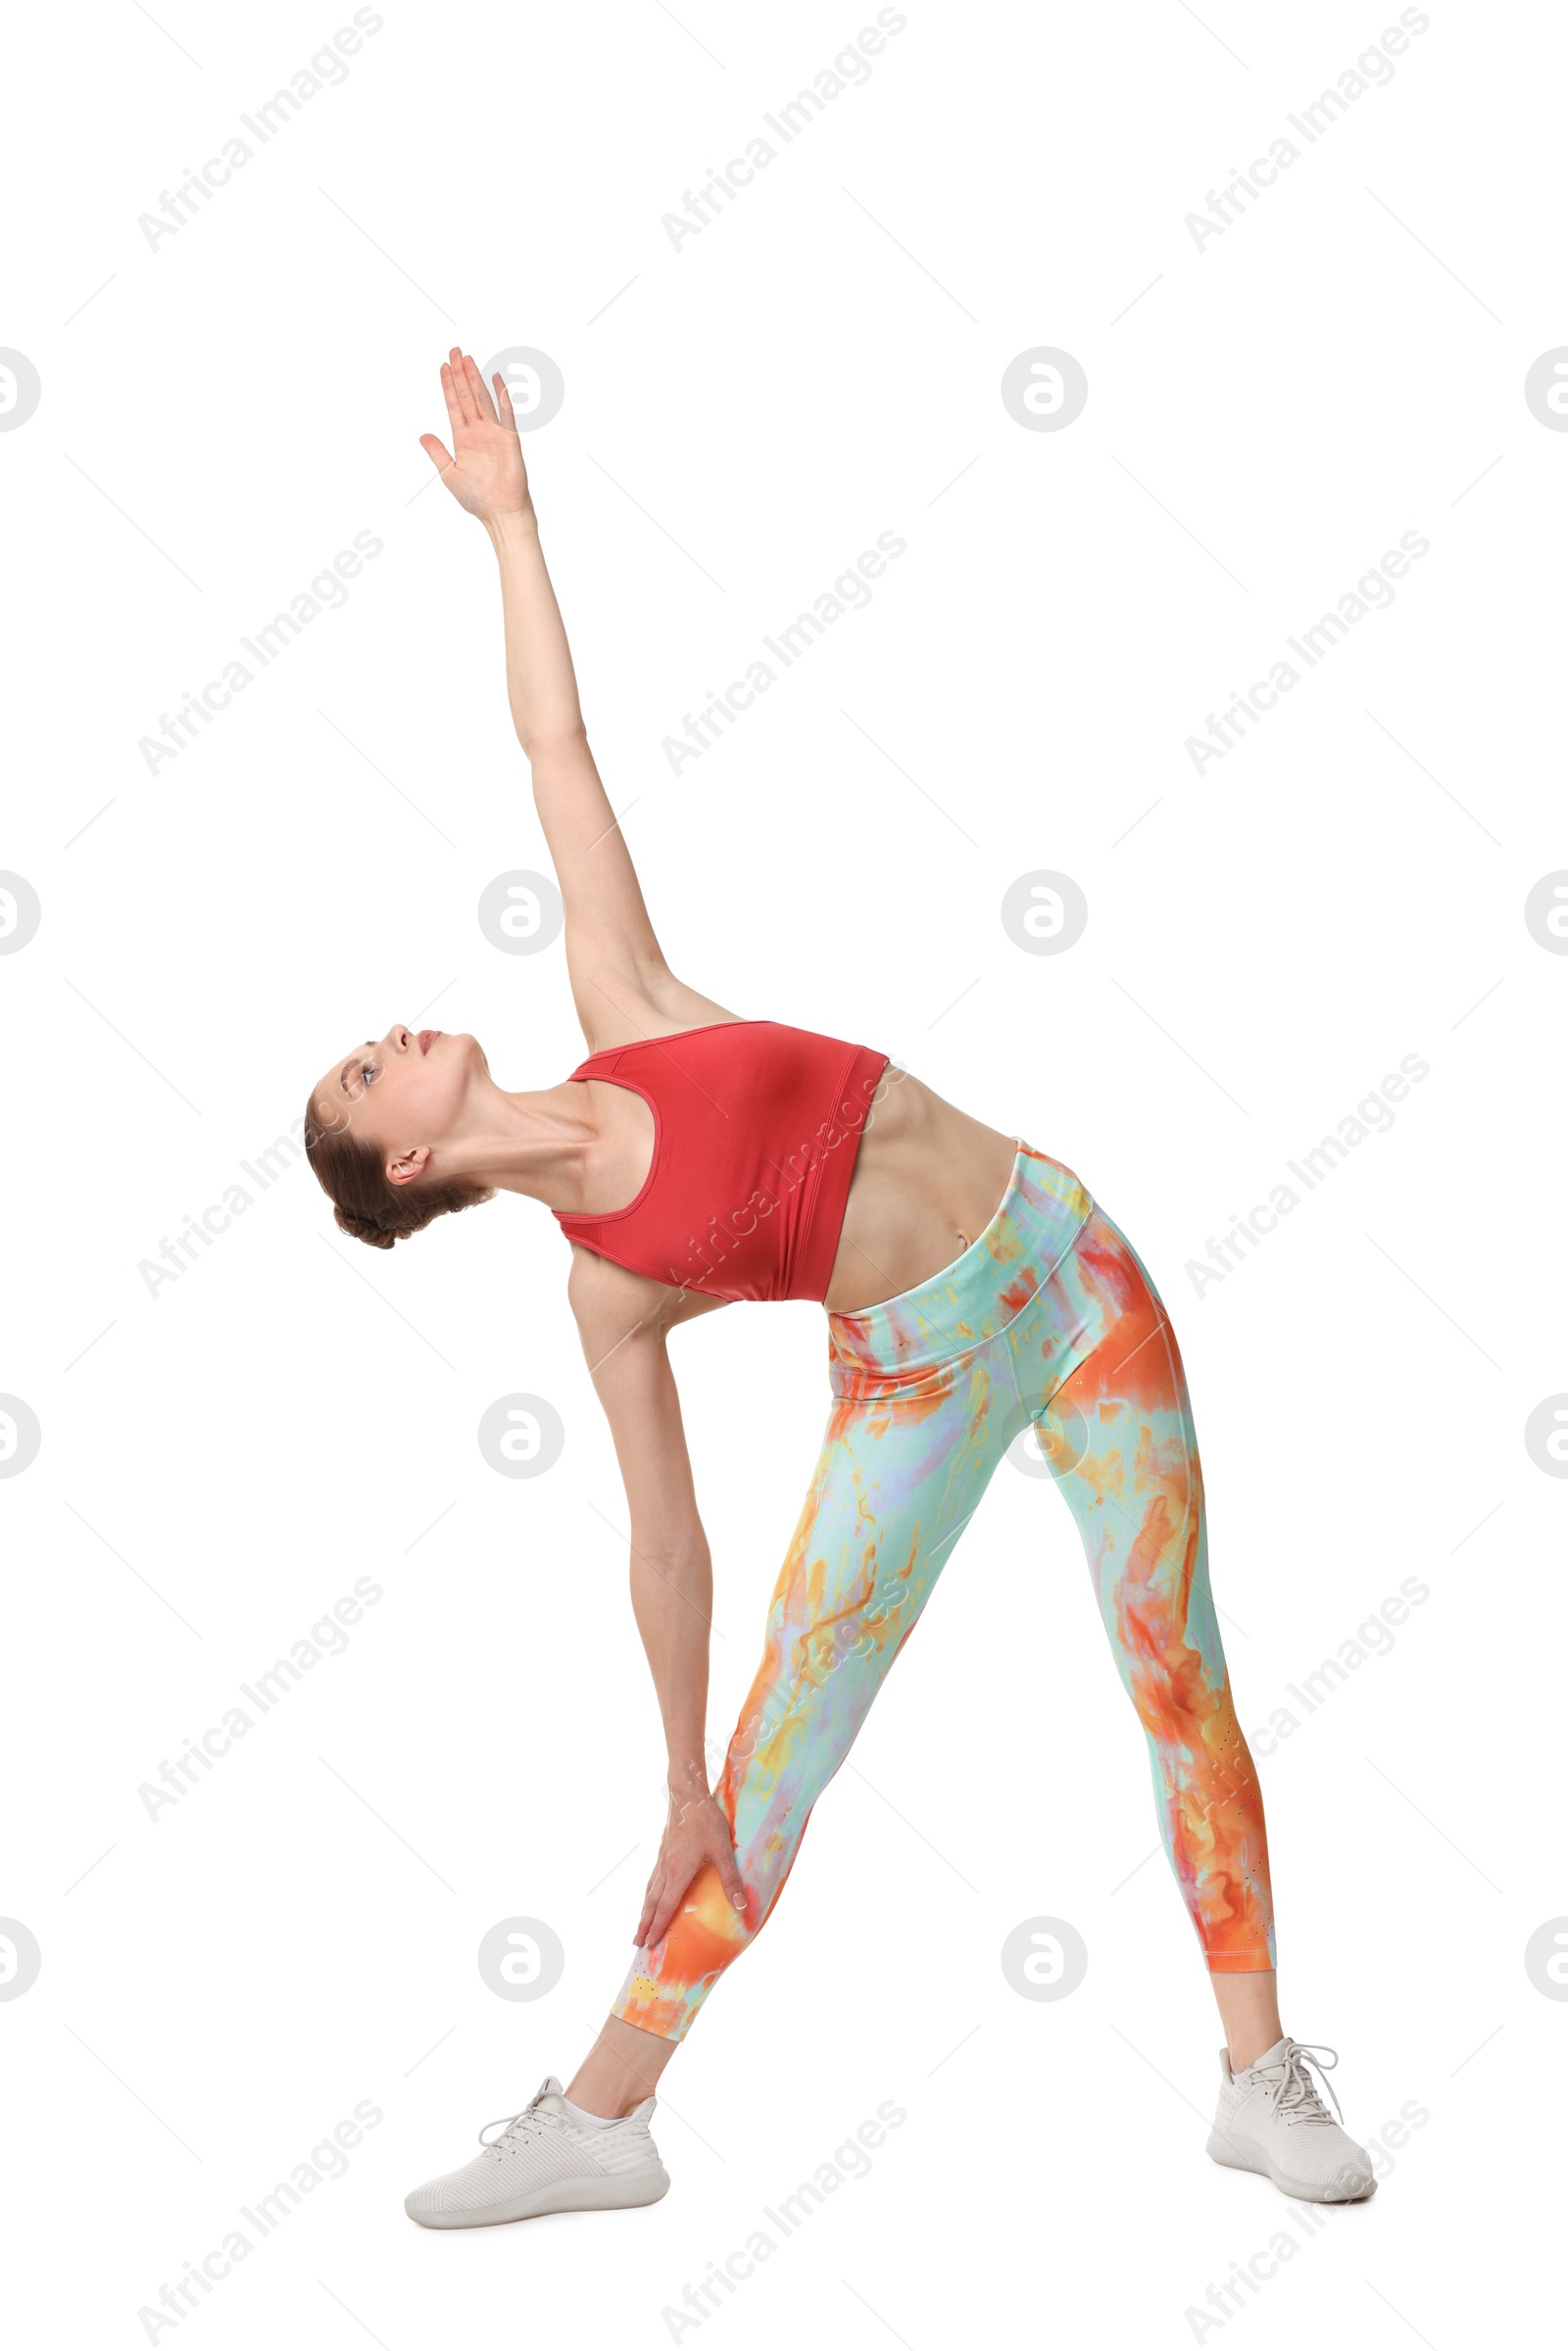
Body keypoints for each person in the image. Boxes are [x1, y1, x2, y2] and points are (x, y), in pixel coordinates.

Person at [303, 352, 1376, 2229]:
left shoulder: (626, 1011)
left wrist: (511, 525)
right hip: (919, 1378)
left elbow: (556, 751)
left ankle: (1254, 2073)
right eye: (363, 1073)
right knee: (769, 1772)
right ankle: (605, 2117)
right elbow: (666, 1545)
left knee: (1178, 1667)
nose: (386, 1038)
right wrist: (671, 1772)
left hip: (1072, 1257)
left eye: (368, 1040)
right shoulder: (609, 1290)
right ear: (404, 1162)